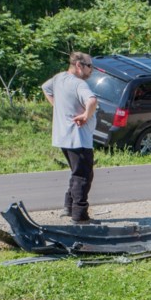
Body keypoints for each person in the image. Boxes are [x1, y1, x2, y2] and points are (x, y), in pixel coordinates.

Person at [42, 52, 98, 224]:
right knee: (83, 176)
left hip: (63, 137)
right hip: (78, 138)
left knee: (77, 172)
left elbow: (45, 88)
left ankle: (68, 206)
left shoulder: (59, 78)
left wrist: (57, 106)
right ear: (79, 66)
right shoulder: (78, 84)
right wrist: (86, 116)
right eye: (89, 66)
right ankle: (79, 216)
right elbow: (92, 100)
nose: (91, 70)